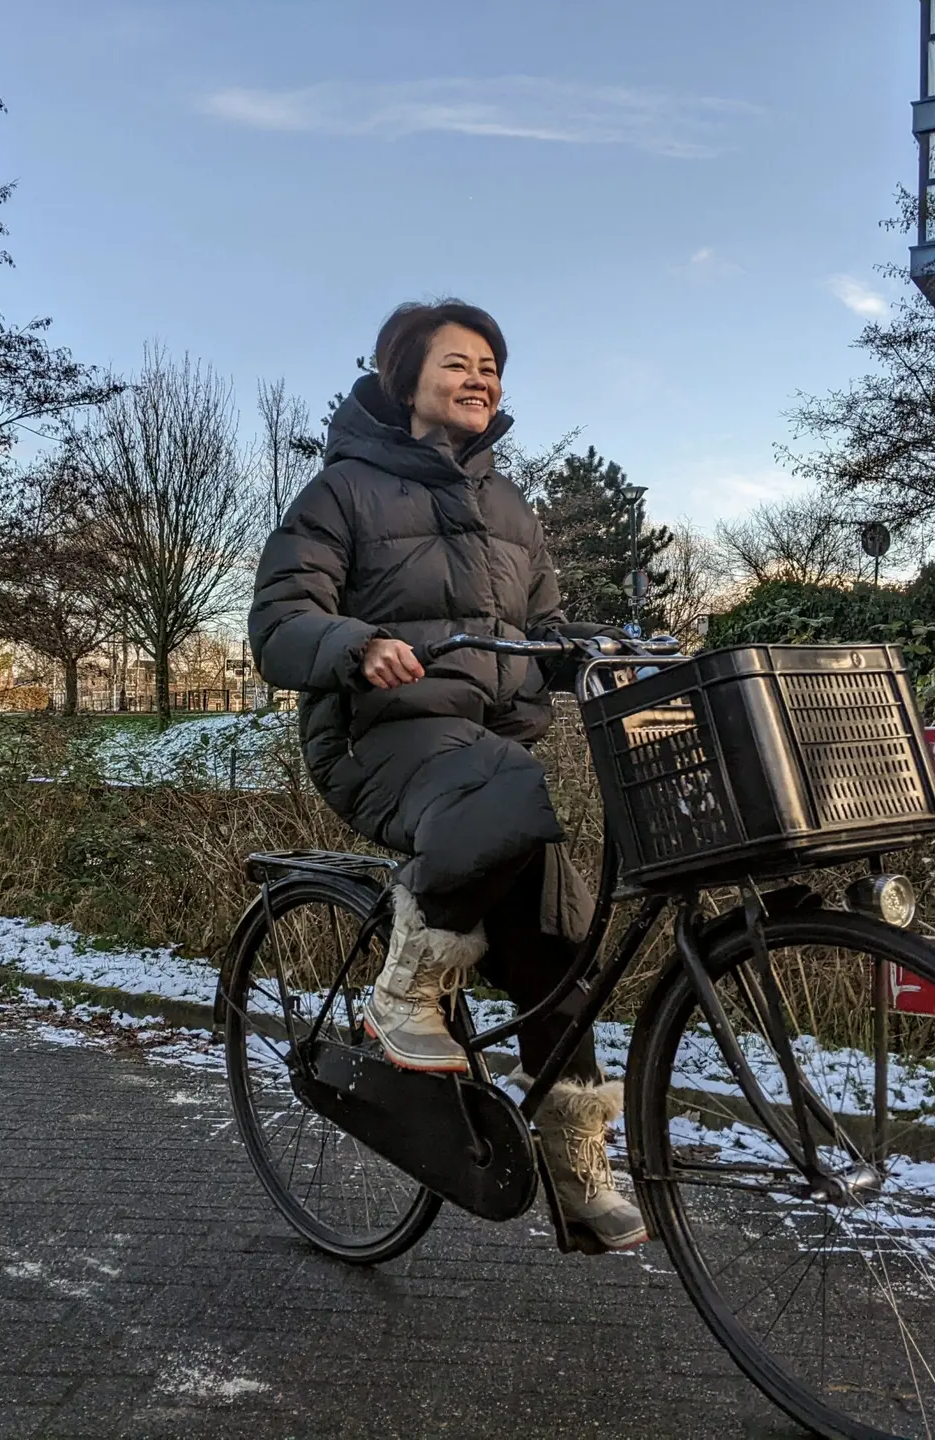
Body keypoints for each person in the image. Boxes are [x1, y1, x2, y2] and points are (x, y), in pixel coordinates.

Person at [247, 299, 649, 1253]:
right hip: (378, 740)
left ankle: (571, 1154)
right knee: (504, 782)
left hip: (488, 757)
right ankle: (406, 987)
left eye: (493, 368)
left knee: (564, 934)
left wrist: (599, 649)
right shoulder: (339, 491)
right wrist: (354, 643)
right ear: (407, 379)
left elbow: (543, 631)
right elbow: (276, 623)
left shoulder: (514, 509)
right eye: (460, 363)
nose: (482, 380)